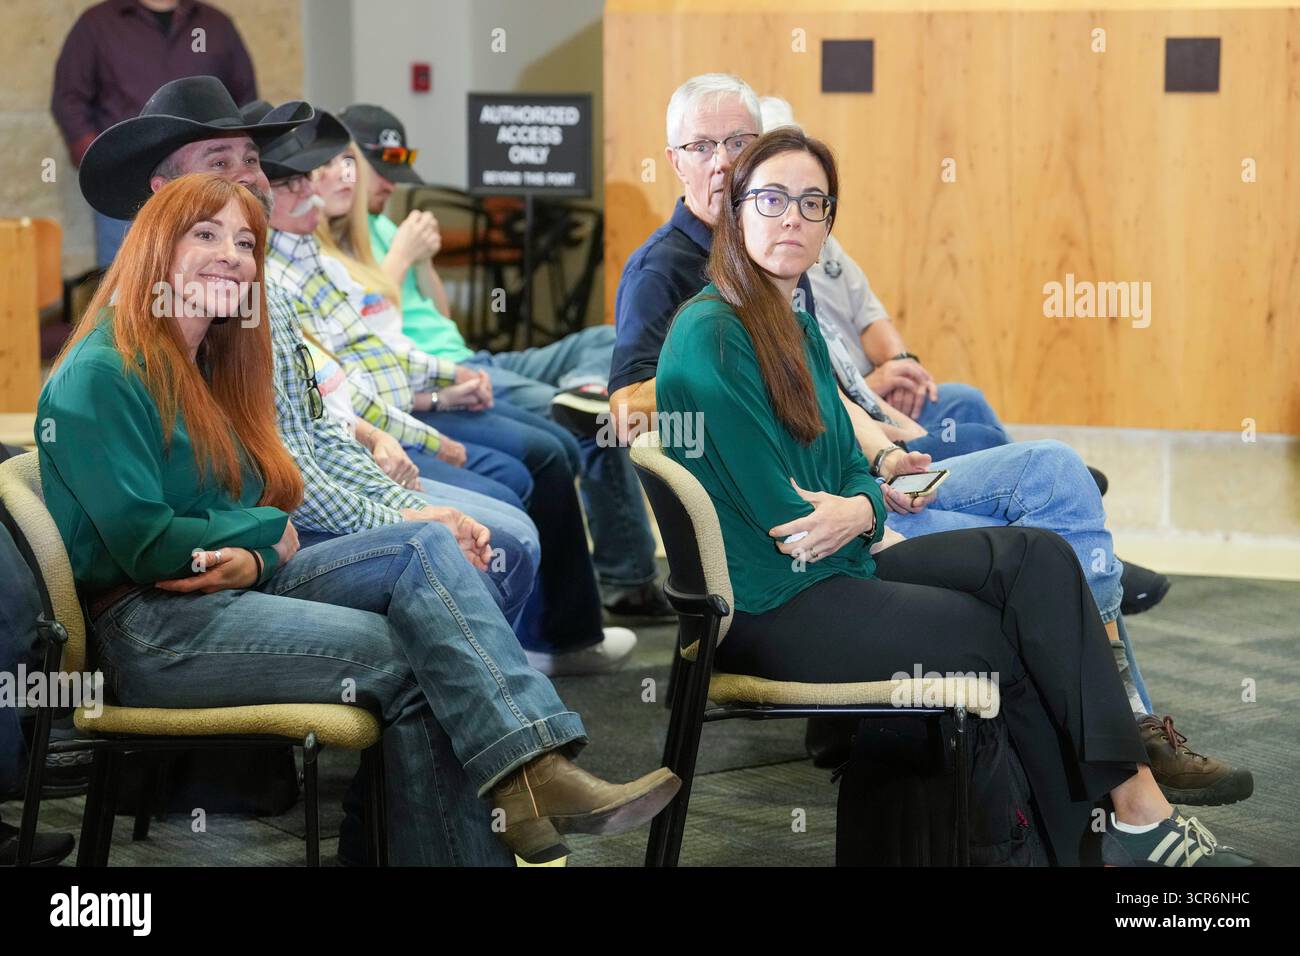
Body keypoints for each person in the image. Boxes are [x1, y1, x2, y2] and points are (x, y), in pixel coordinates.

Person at [611, 73, 1246, 804]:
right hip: (793, 574)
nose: (727, 165)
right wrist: (847, 484)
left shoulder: (792, 312)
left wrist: (875, 458)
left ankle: (1126, 789)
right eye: (712, 151)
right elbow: (766, 498)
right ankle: (1118, 799)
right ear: (716, 188)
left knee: (1036, 496)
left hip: (857, 507)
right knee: (1028, 601)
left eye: (807, 204)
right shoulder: (704, 312)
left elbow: (844, 446)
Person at [36, 173, 681, 866]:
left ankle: (525, 772)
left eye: (246, 241)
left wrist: (257, 550)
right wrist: (258, 539)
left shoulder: (207, 361)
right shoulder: (104, 370)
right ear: (156, 250)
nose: (231, 253)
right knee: (424, 658)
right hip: (149, 631)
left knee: (426, 546)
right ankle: (515, 782)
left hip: (227, 592)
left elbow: (263, 502)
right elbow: (147, 545)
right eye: (206, 234)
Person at [261, 115, 631, 674]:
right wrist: (431, 413)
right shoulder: (296, 263)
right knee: (534, 468)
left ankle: (548, 644)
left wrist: (439, 375)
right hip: (412, 400)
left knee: (567, 425)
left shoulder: (322, 248)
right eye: (316, 171)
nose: (331, 181)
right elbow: (340, 396)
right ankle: (533, 650)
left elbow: (418, 325)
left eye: (339, 166)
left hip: (433, 379)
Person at [339, 103, 670, 619]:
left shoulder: (382, 224)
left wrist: (422, 264)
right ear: (348, 162)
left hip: (469, 355)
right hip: (437, 373)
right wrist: (401, 258)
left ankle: (582, 392)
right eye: (380, 170)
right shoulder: (350, 239)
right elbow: (374, 337)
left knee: (603, 340)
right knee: (590, 425)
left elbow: (440, 317)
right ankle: (628, 578)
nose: (389, 185)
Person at [51, 0, 257, 267]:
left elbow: (244, 102)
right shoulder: (97, 23)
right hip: (129, 193)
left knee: (215, 279)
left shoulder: (216, 25)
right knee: (125, 287)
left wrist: (233, 165)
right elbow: (68, 99)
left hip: (211, 188)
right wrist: (101, 164)